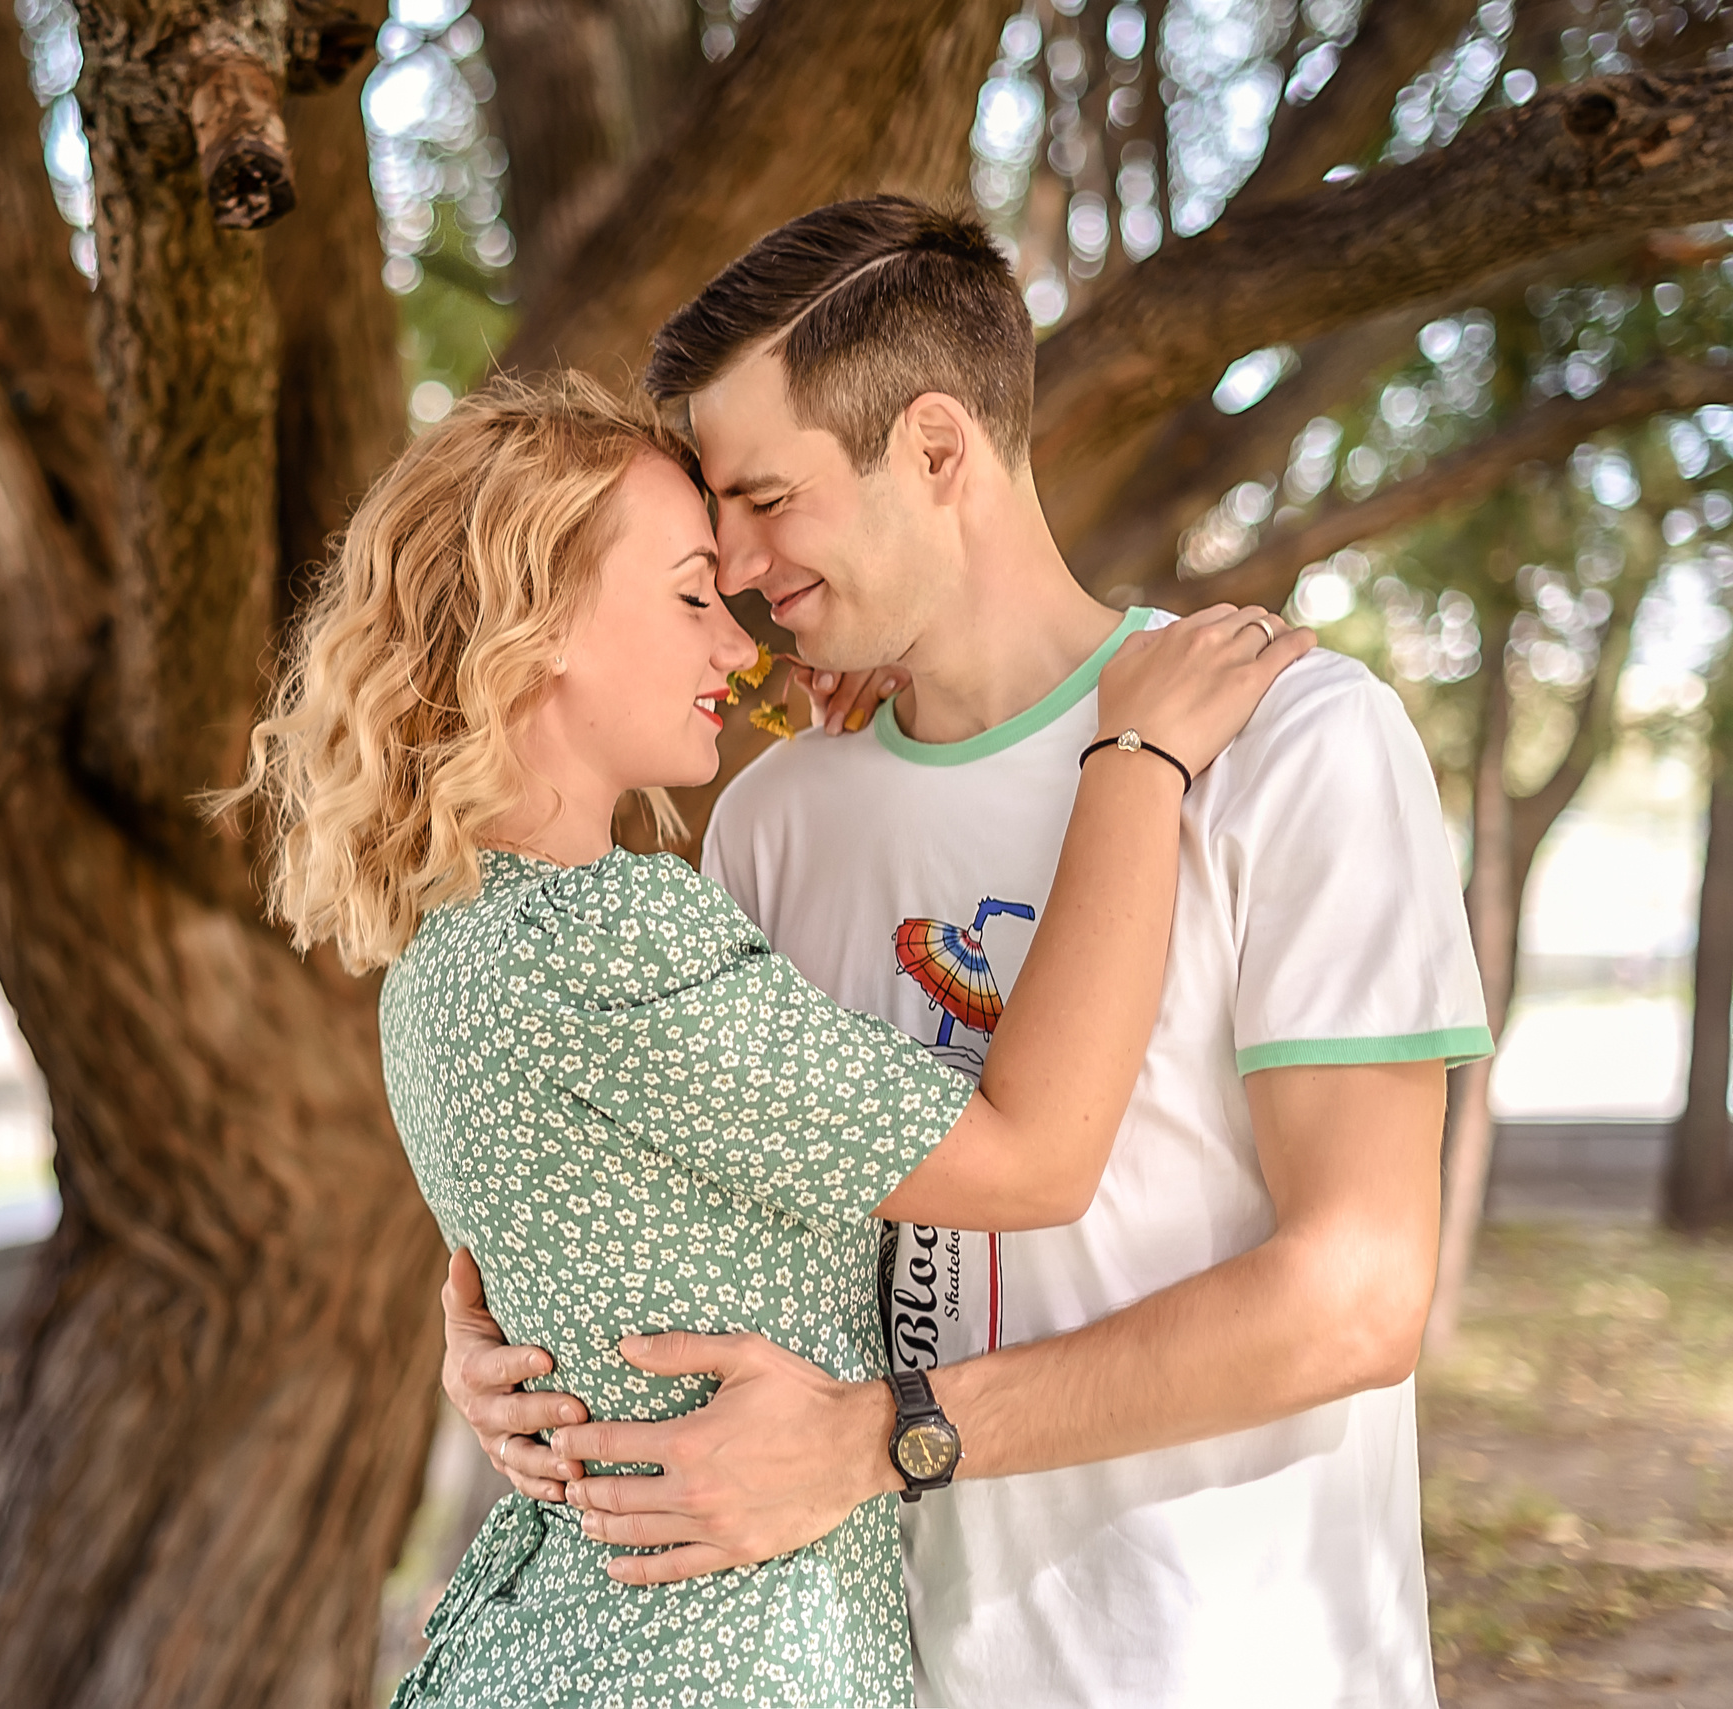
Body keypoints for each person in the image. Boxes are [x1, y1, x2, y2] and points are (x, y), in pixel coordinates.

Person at [441, 198, 1492, 1708]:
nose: (734, 564)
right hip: (889, 1671)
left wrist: (886, 1434)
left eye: (764, 498)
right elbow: (676, 1197)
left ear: (937, 450)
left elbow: (1357, 1293)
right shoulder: (776, 820)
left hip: (1229, 1664)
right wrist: (505, 1354)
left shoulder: (1297, 745)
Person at [217, 368, 1310, 1706]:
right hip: (714, 1666)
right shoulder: (607, 941)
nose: (739, 647)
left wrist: (856, 762)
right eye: (689, 594)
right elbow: (1034, 1157)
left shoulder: (444, 957)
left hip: (561, 1639)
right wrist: (1139, 756)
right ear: (539, 619)